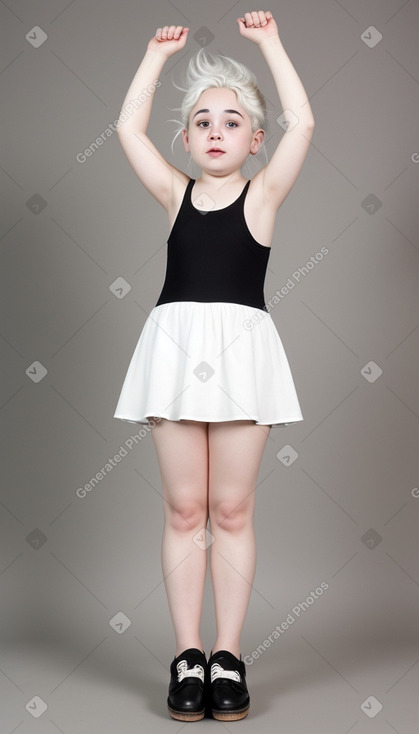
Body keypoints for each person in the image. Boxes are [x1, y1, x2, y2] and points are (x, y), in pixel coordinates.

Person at [113, 9, 314, 721]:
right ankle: (187, 654)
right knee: (184, 507)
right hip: (173, 351)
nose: (216, 131)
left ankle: (227, 655)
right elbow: (127, 131)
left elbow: (305, 124)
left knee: (229, 508)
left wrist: (269, 44)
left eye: (231, 122)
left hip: (241, 355)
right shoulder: (176, 194)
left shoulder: (262, 196)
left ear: (254, 140)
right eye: (202, 122)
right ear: (188, 138)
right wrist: (152, 57)